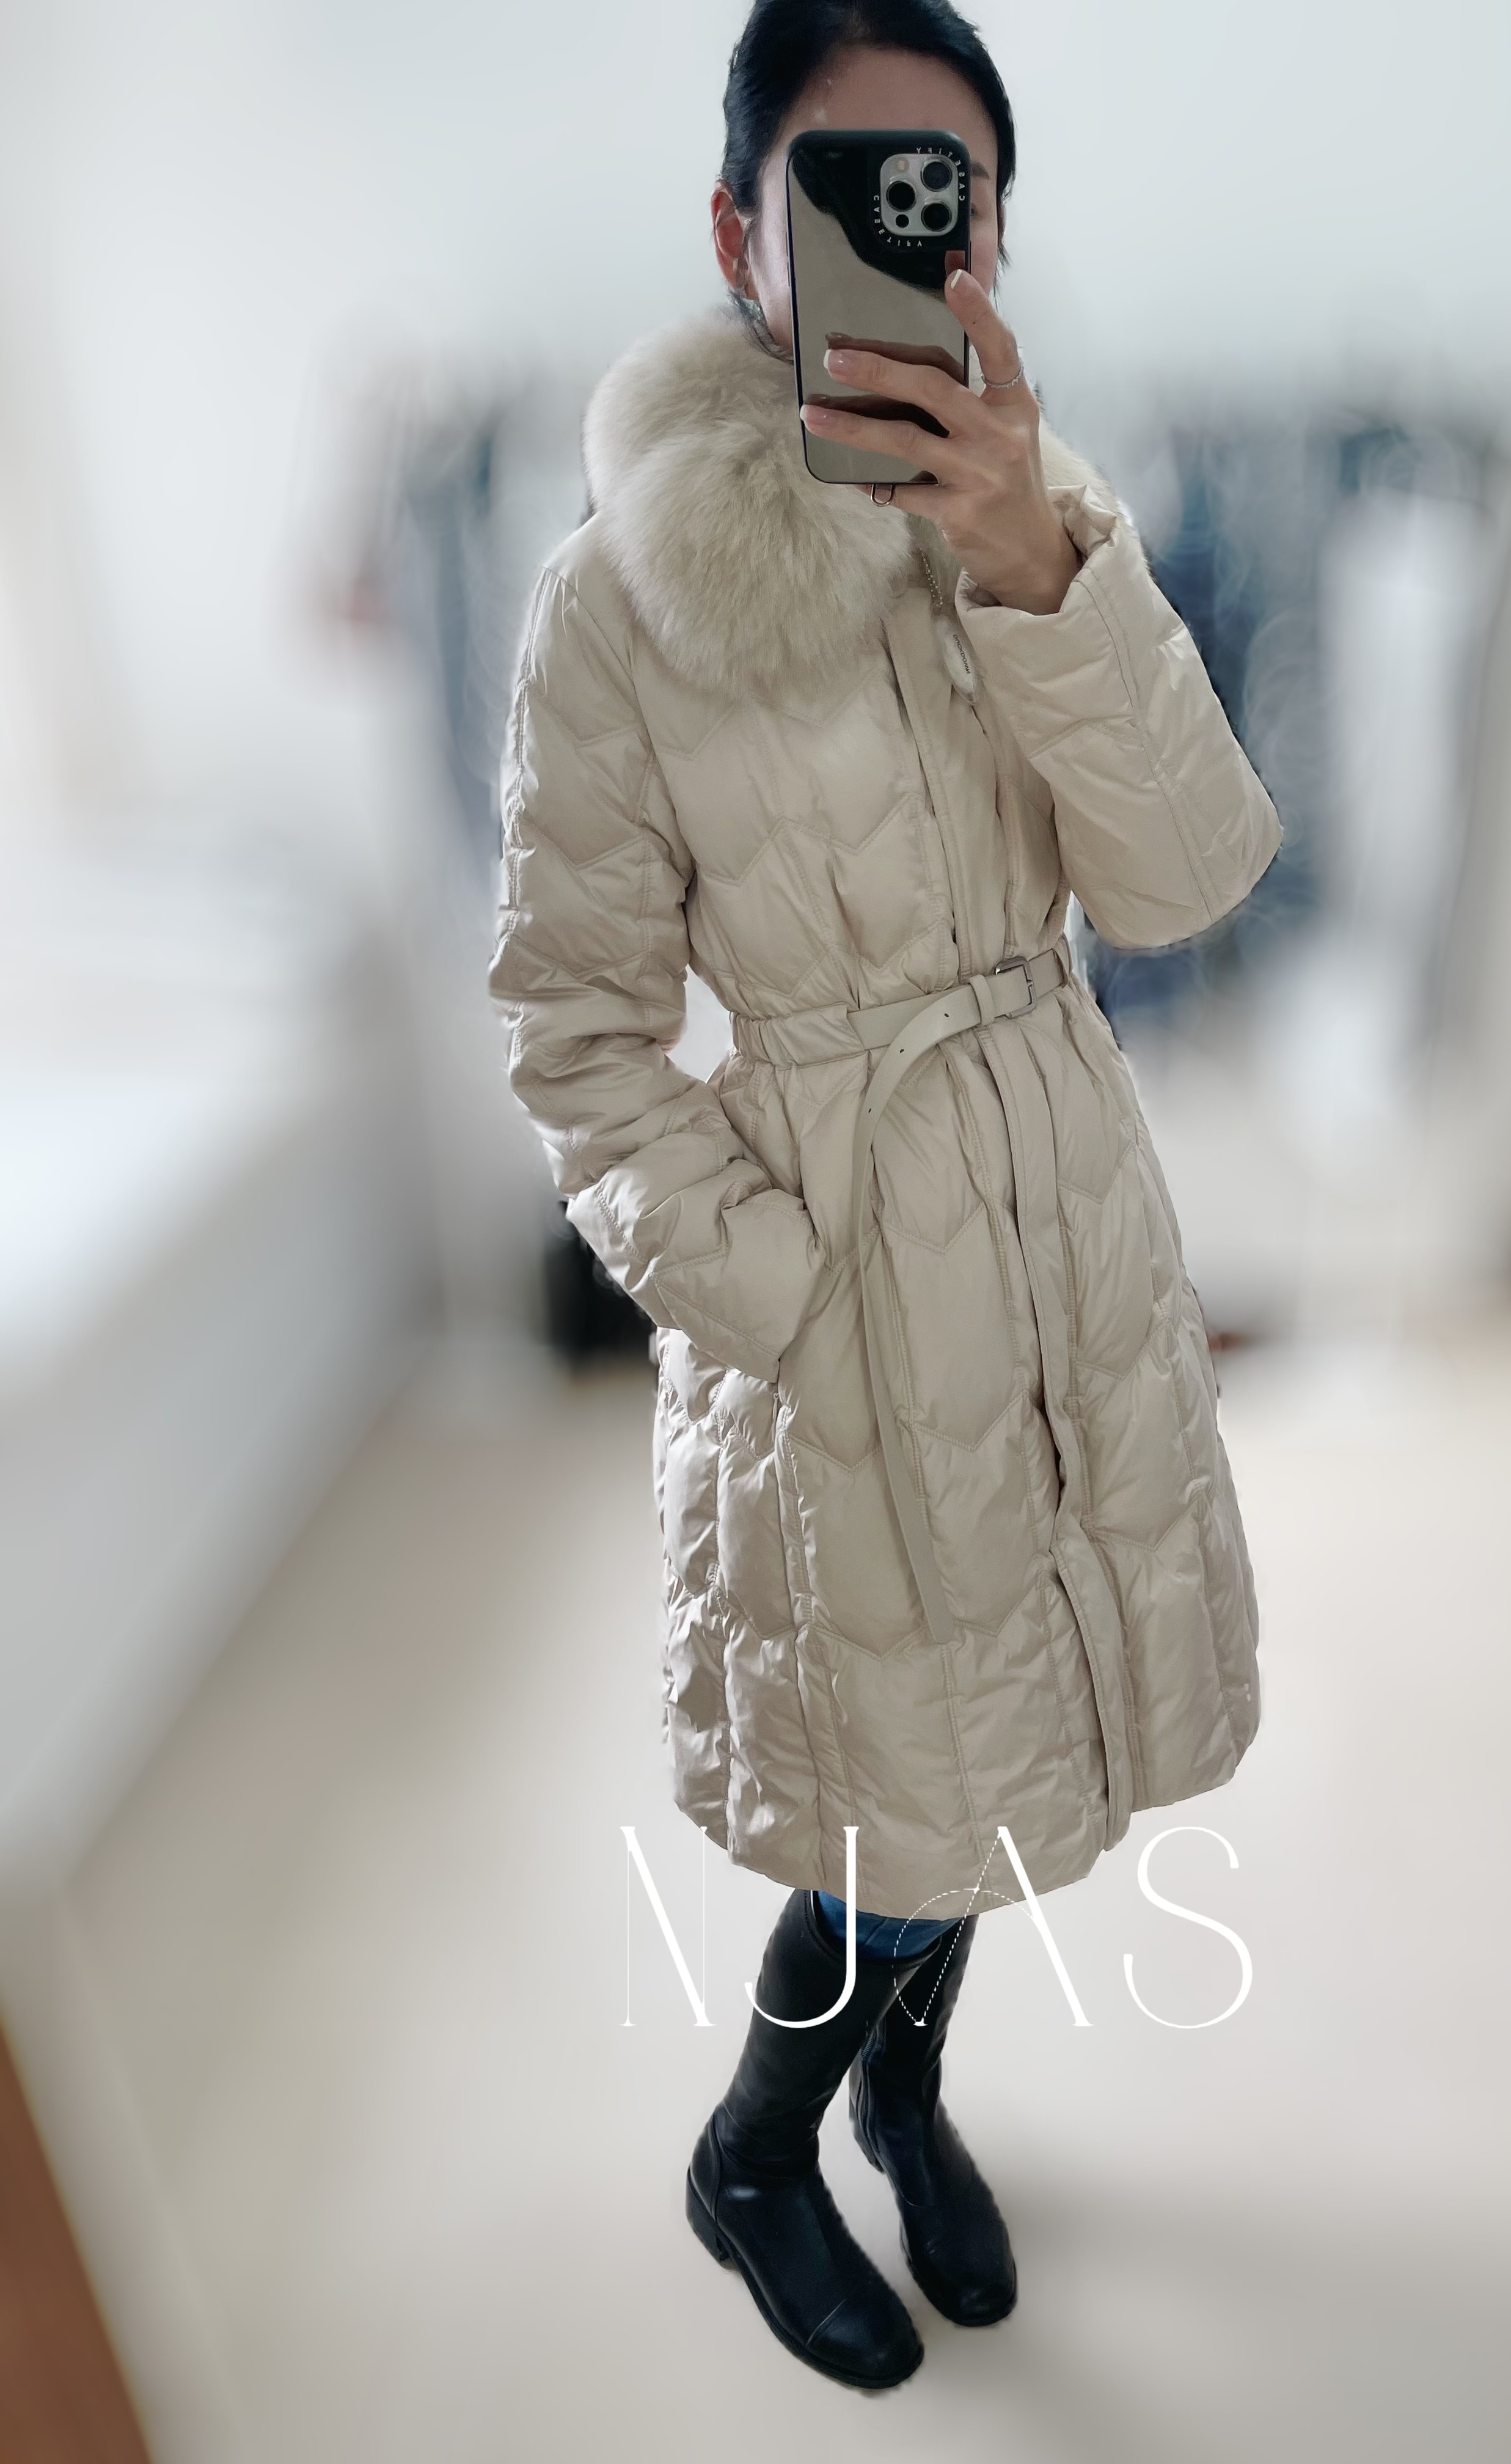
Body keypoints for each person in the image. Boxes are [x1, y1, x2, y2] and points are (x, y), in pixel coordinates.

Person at [489, 0, 1281, 2394]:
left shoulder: (1040, 510)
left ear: (991, 237)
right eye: (843, 190)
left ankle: (907, 2099)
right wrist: (775, 1286)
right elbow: (574, 1038)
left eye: (952, 199)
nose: (908, 242)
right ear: (746, 235)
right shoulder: (617, 604)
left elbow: (1183, 882)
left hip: (1057, 1227)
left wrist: (1038, 564)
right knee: (891, 1808)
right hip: (836, 1287)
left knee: (1008, 1745)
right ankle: (761, 2146)